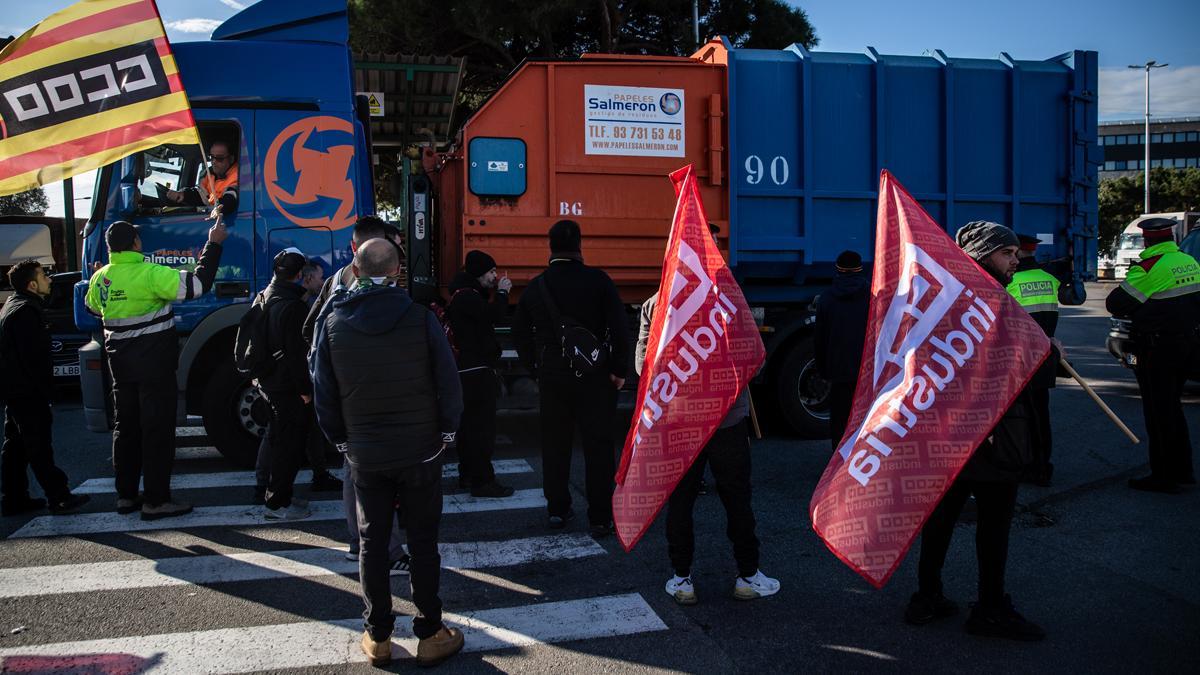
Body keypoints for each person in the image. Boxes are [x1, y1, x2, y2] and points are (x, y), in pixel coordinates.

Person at [310, 239, 464, 667]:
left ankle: (377, 634)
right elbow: (448, 383)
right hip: (421, 451)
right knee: (423, 542)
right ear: (398, 272)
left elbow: (324, 392)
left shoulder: (334, 321)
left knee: (372, 542)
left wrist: (343, 443)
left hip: (366, 453)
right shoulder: (421, 318)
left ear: (354, 272)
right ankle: (431, 630)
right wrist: (447, 434)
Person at [905, 220, 1061, 641]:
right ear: (983, 254)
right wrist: (1047, 352)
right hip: (992, 436)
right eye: (1008, 253)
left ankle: (927, 595)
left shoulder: (945, 298)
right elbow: (1027, 373)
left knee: (941, 518)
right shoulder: (995, 301)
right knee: (993, 524)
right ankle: (990, 607)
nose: (1017, 259)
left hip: (948, 435)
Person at [636, 223, 780, 605]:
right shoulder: (729, 299)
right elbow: (755, 361)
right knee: (737, 498)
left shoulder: (658, 304)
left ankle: (682, 579)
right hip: (727, 421)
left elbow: (642, 368)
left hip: (679, 424)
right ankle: (748, 575)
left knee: (681, 501)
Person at [85, 219, 226, 520]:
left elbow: (93, 308)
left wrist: (104, 275)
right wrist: (214, 243)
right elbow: (198, 285)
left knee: (126, 430)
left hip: (120, 369)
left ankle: (125, 496)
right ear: (136, 243)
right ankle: (156, 500)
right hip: (154, 368)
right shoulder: (151, 273)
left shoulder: (101, 278)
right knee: (156, 431)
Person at [302, 215, 408, 570]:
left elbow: (310, 330)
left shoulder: (335, 279)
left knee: (356, 471)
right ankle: (386, 550)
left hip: (347, 392)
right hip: (371, 393)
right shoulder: (365, 286)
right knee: (378, 474)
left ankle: (357, 540)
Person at [512, 220, 630, 536]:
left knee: (555, 445)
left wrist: (535, 367)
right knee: (598, 446)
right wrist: (619, 370)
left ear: (550, 247)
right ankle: (601, 516)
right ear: (579, 244)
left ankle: (558, 510)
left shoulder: (536, 287)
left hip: (553, 378)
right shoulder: (599, 281)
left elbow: (519, 333)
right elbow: (620, 328)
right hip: (595, 377)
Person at [1105, 217, 1200, 494]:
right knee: (1173, 409)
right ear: (1171, 237)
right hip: (1188, 348)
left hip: (1154, 352)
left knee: (1159, 413)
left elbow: (1115, 303)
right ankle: (1183, 471)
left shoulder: (1148, 268)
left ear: (1146, 240)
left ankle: (1164, 475)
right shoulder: (1190, 263)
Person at [0, 260, 90, 516]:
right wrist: (48, 392)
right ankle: (58, 496)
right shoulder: (26, 311)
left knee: (15, 446)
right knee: (38, 445)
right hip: (27, 391)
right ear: (32, 284)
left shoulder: (13, 305)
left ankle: (14, 499)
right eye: (43, 276)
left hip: (14, 389)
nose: (49, 280)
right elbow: (33, 359)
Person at [255, 248, 318, 521]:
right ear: (299, 275)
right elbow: (296, 356)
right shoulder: (293, 306)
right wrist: (305, 390)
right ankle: (278, 503)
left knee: (279, 440)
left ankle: (280, 495)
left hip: (267, 380)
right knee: (288, 445)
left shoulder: (265, 295)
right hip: (286, 386)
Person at [447, 250, 514, 498]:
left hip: (467, 371)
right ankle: (482, 481)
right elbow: (494, 316)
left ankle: (468, 473)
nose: (495, 276)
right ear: (478, 273)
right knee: (482, 430)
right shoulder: (468, 297)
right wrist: (504, 293)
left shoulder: (461, 295)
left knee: (469, 429)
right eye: (491, 272)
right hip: (476, 372)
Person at [1006, 234, 1060, 486]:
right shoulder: (1049, 280)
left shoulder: (1012, 282)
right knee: (1041, 414)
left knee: (1022, 416)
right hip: (1045, 355)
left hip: (1020, 359)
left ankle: (1027, 465)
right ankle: (1043, 465)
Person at [813, 250, 870, 451]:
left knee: (839, 419)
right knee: (864, 417)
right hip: (865, 370)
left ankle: (838, 463)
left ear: (837, 270)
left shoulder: (827, 298)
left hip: (837, 370)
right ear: (860, 269)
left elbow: (820, 337)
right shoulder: (872, 296)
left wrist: (822, 370)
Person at [165, 141, 238, 218]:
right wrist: (183, 194)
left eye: (219, 158)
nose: (214, 161)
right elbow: (200, 193)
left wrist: (220, 209)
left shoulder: (239, 175)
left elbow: (231, 196)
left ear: (231, 159)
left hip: (221, 220)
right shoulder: (210, 174)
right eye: (211, 157)